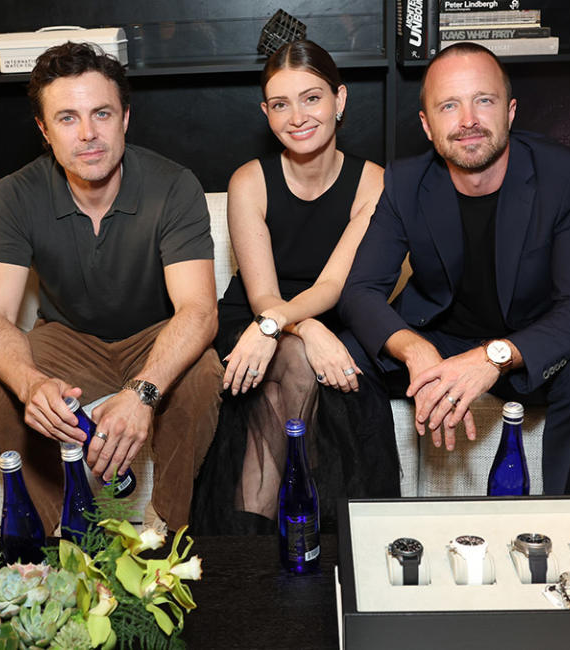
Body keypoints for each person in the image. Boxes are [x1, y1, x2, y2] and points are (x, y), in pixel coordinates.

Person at [338, 42, 570, 495]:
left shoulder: (563, 176)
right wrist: (414, 351)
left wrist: (493, 357)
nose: (467, 120)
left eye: (482, 100)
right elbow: (361, 291)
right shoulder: (406, 182)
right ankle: (374, 505)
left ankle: (557, 508)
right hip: (441, 335)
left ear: (510, 112)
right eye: (450, 105)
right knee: (345, 357)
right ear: (428, 127)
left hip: (529, 338)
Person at [0, 41, 223, 536]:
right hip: (67, 336)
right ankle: (68, 528)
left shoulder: (173, 185)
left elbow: (198, 310)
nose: (88, 134)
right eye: (67, 118)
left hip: (154, 330)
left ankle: (163, 529)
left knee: (203, 373)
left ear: (125, 118)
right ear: (44, 131)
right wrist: (30, 383)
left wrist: (142, 393)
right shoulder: (15, 195)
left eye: (101, 113)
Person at [191, 40, 400, 534]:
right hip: (253, 319)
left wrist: (302, 328)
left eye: (312, 98)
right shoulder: (250, 181)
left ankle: (263, 544)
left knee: (304, 373)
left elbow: (332, 284)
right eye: (280, 104)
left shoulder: (374, 183)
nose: (297, 116)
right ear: (266, 112)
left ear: (339, 100)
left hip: (330, 318)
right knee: (297, 367)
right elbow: (263, 295)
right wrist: (295, 329)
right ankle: (283, 543)